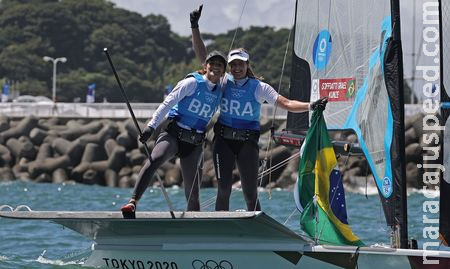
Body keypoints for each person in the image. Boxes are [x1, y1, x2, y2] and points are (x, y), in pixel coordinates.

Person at [190, 6, 328, 211]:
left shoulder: (259, 87)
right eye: (233, 65)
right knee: (224, 190)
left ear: (247, 66)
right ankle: (221, 227)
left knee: (250, 192)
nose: (237, 68)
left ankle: (257, 228)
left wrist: (311, 106)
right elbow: (204, 58)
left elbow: (286, 103)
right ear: (229, 67)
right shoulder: (223, 81)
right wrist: (195, 26)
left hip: (247, 142)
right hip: (223, 141)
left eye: (241, 64)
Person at [121, 50, 228, 213]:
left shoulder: (222, 90)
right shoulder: (191, 83)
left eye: (220, 65)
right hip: (174, 135)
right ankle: (133, 201)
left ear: (223, 70)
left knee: (193, 193)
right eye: (212, 63)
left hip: (194, 143)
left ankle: (193, 222)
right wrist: (151, 126)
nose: (216, 67)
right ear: (205, 66)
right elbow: (167, 103)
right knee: (155, 159)